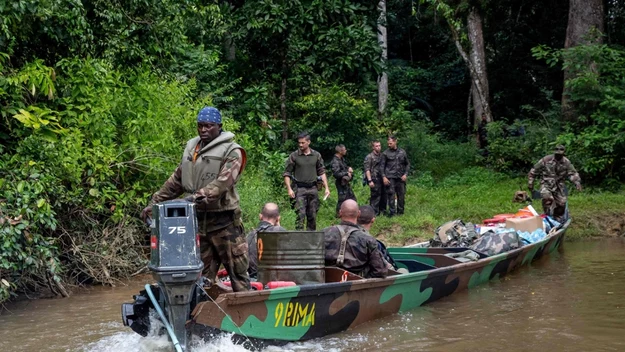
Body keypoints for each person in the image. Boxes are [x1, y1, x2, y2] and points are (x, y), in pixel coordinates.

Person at [141, 107, 250, 292]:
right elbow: (176, 180)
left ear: (219, 126)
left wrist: (192, 198)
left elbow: (222, 184)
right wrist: (155, 203)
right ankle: (204, 316)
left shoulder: (233, 151)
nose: (203, 130)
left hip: (225, 222)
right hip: (197, 222)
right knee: (200, 277)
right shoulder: (193, 148)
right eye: (200, 126)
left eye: (209, 126)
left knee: (238, 272)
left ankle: (248, 316)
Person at [323, 200, 387, 278]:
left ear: (340, 212)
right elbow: (380, 271)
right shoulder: (368, 239)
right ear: (359, 214)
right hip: (356, 285)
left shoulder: (323, 233)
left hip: (326, 283)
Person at [283, 132, 330, 230]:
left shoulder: (316, 155)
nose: (300, 145)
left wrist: (327, 188)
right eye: (299, 143)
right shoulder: (294, 156)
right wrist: (289, 189)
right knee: (300, 215)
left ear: (308, 142)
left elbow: (321, 171)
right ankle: (299, 238)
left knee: (312, 215)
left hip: (313, 188)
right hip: (299, 188)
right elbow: (287, 173)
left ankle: (311, 239)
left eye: (303, 143)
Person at [528, 144, 582, 222]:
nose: (558, 155)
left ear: (563, 154)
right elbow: (534, 171)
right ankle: (547, 216)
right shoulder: (546, 159)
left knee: (562, 203)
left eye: (560, 154)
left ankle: (557, 218)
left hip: (559, 185)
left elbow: (572, 173)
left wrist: (577, 182)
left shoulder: (566, 162)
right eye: (557, 153)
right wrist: (531, 182)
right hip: (546, 184)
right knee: (547, 198)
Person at [246, 203, 287, 278]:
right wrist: (279, 226)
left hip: (253, 277)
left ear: (260, 216)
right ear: (278, 218)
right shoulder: (279, 232)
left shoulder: (250, 235)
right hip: (273, 279)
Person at [356, 205, 397, 271]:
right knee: (403, 270)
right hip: (369, 277)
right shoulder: (373, 243)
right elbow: (382, 268)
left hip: (347, 275)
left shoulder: (346, 235)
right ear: (373, 220)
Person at [380, 135, 410, 216]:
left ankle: (400, 212)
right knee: (391, 195)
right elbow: (382, 166)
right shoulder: (385, 153)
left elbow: (407, 164)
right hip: (390, 177)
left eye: (390, 143)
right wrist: (384, 177)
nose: (389, 145)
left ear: (395, 141)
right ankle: (392, 212)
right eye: (388, 143)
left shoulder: (402, 152)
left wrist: (405, 174)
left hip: (400, 177)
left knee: (401, 195)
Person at [330, 144, 356, 217]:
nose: (346, 151)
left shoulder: (341, 159)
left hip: (345, 182)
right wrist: (346, 173)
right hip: (340, 183)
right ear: (340, 151)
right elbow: (336, 174)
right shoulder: (335, 161)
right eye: (344, 150)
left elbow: (343, 168)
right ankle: (339, 214)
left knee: (351, 197)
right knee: (342, 199)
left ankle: (352, 212)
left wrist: (348, 169)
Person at [363, 140, 386, 215]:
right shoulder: (369, 157)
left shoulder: (382, 155)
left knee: (383, 195)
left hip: (382, 178)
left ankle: (383, 211)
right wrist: (369, 180)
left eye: (379, 145)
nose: (378, 147)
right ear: (373, 147)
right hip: (374, 179)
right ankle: (373, 213)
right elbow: (367, 169)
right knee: (375, 196)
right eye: (376, 146)